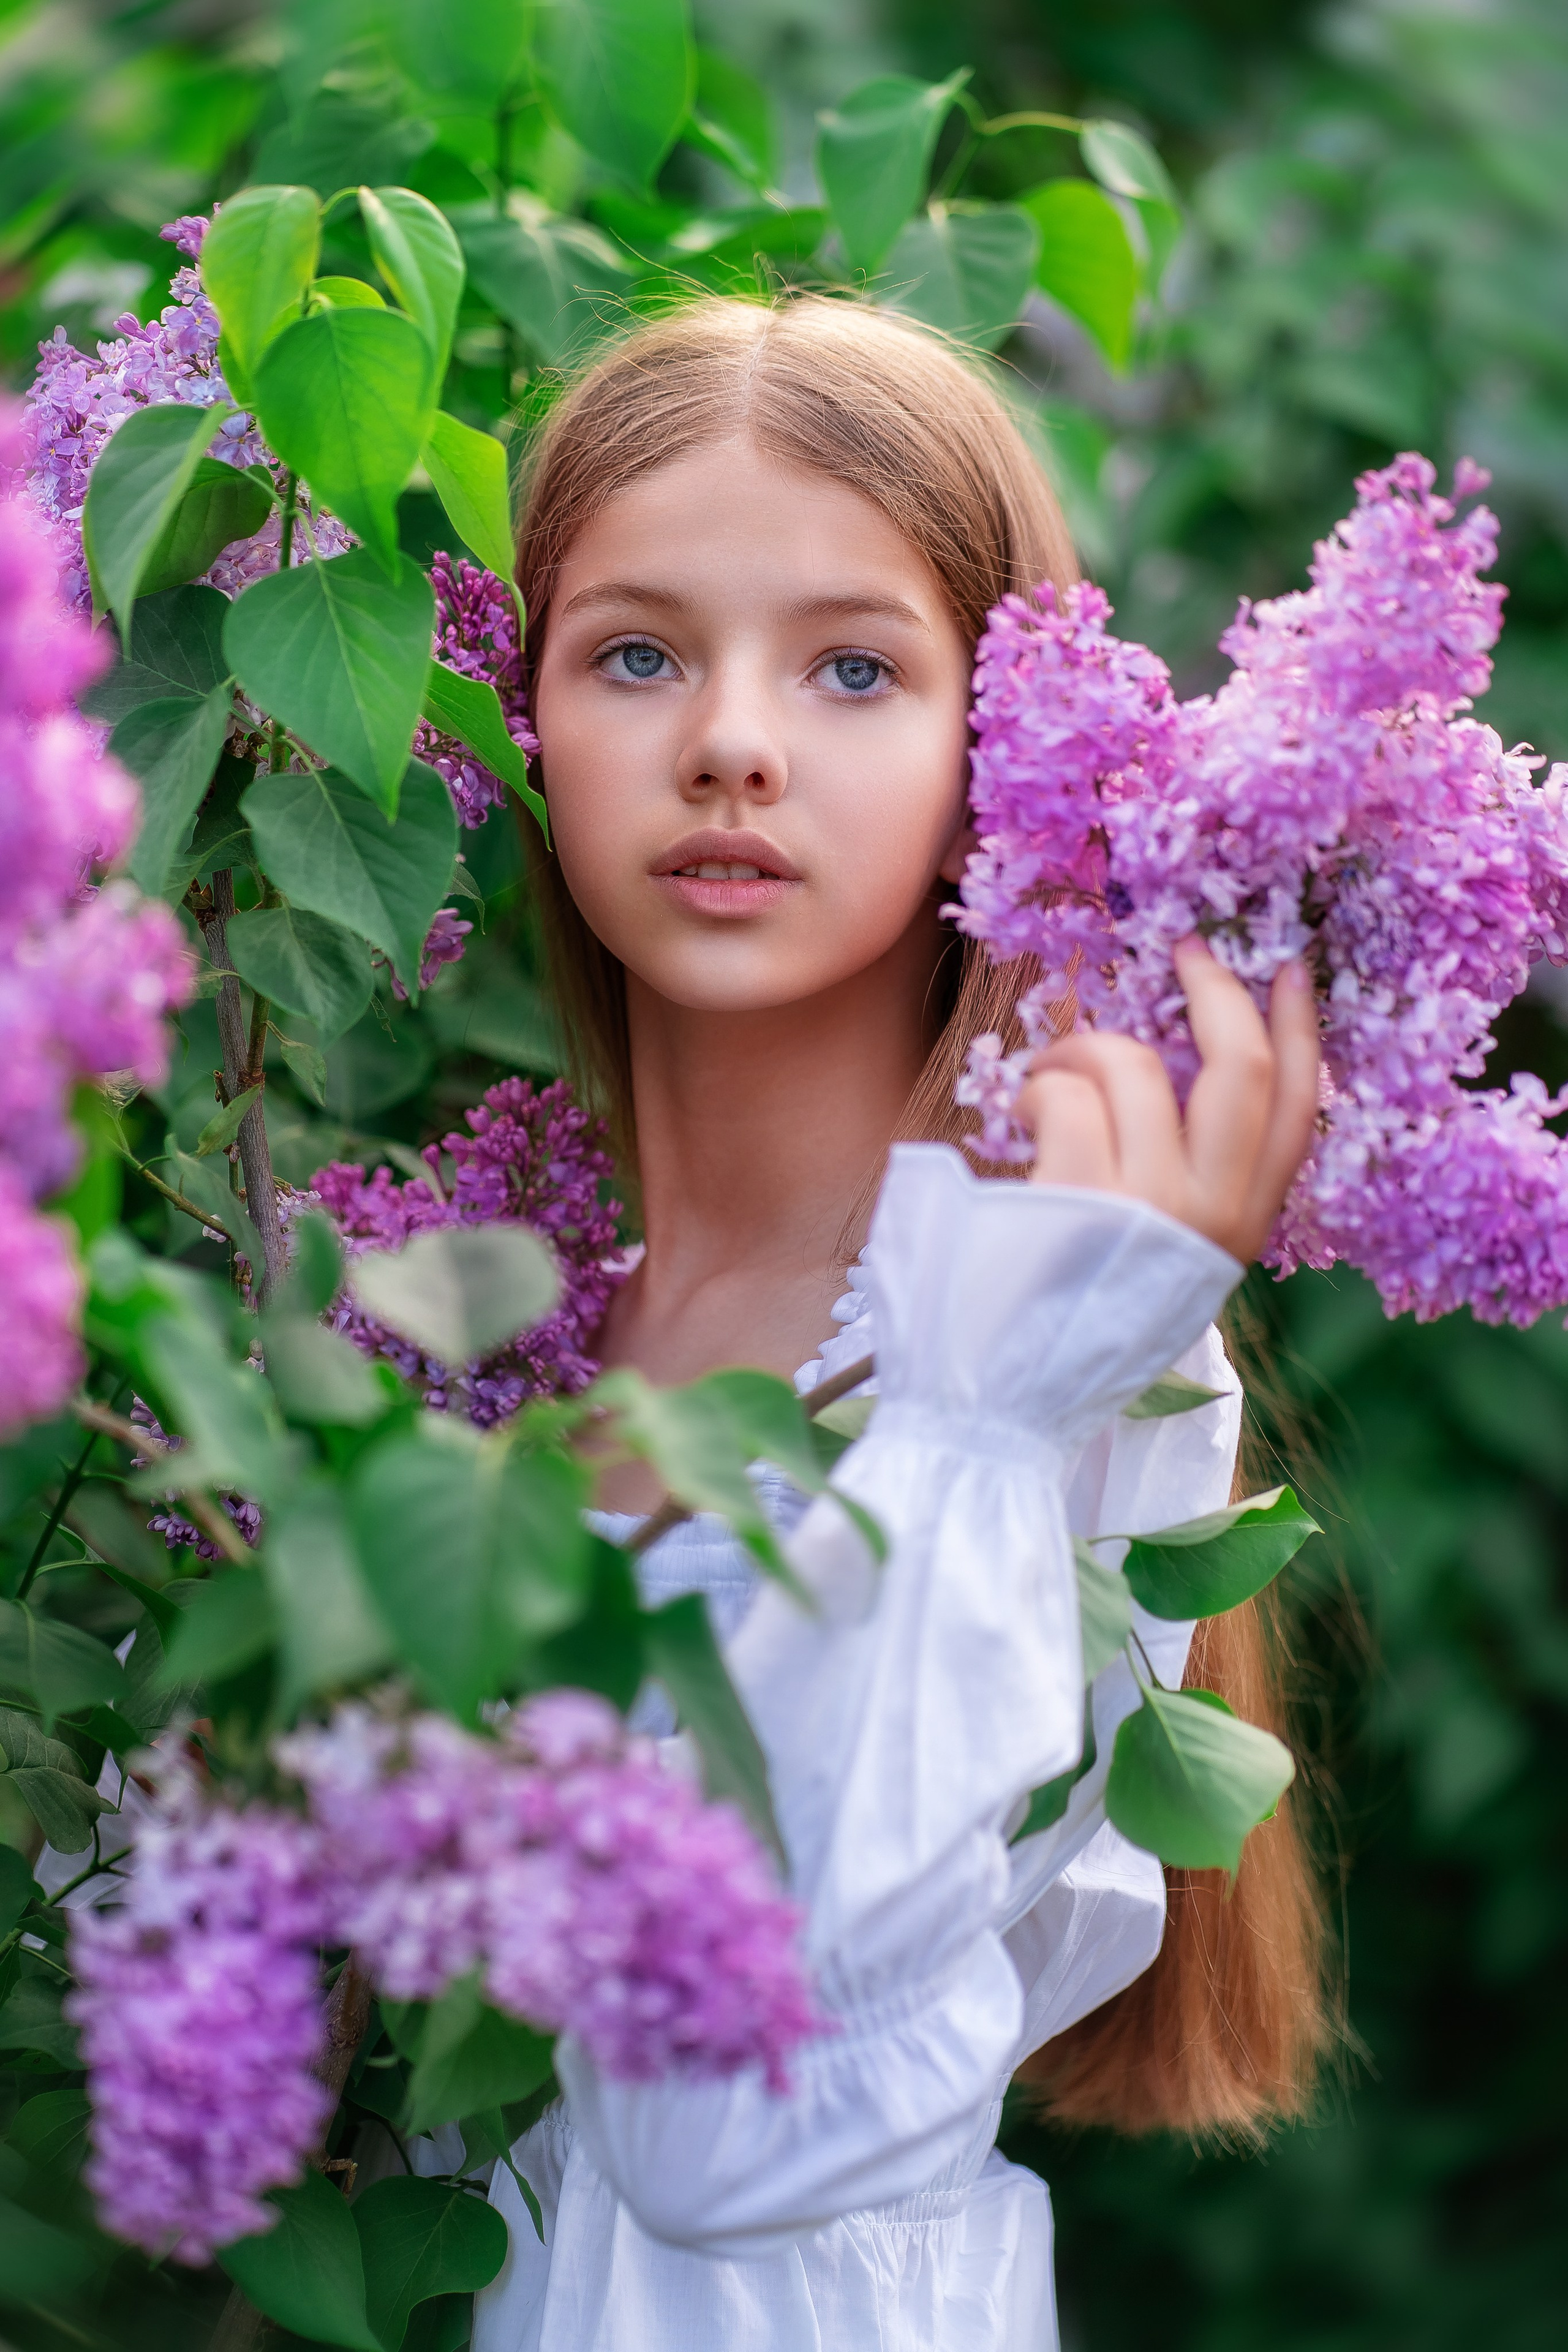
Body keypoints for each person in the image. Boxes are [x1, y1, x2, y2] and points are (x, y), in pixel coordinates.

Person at [471, 296, 1325, 2352]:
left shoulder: (1032, 1340)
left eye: (856, 666)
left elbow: (725, 2130)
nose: (734, 738)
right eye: (638, 652)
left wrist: (981, 1404)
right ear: (522, 722)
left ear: (1001, 759)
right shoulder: (473, 1328)